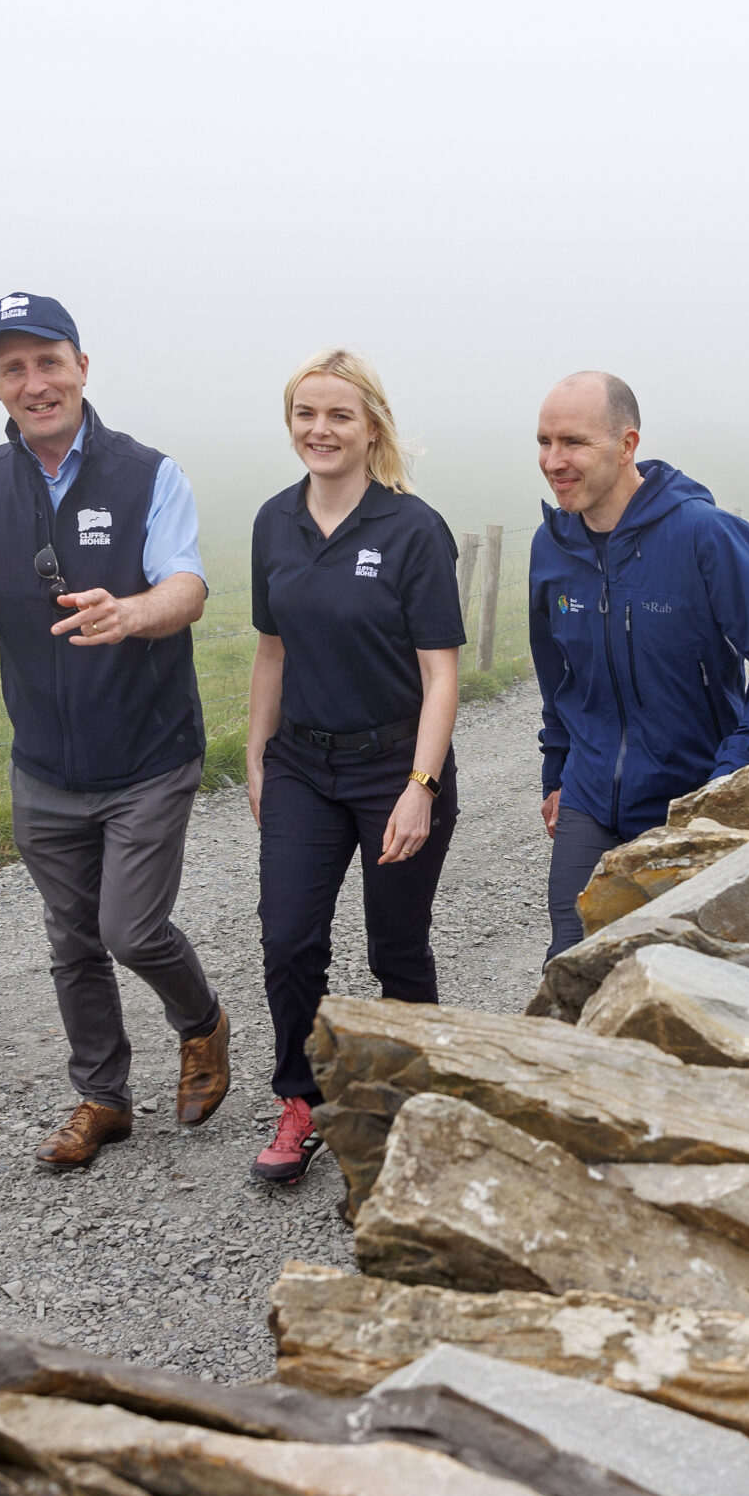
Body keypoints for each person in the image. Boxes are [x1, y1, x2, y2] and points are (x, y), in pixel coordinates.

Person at [0, 292, 232, 1168]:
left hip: (146, 751)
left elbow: (189, 587)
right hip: (44, 761)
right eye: (12, 367)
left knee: (130, 928)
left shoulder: (148, 475)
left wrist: (132, 612)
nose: (34, 381)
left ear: (83, 366)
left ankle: (202, 1022)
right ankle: (103, 1097)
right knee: (72, 938)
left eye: (48, 360)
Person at [244, 350, 464, 1183]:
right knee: (288, 938)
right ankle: (302, 1101)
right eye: (306, 413)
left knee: (396, 946)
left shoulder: (412, 528)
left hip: (394, 767)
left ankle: (419, 1103)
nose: (320, 430)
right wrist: (258, 758)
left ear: (372, 425)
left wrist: (421, 786)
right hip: (302, 761)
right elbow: (271, 650)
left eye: (339, 415)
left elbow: (440, 672)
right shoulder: (274, 521)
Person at [527, 372, 749, 960]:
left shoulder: (705, 535)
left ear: (627, 444)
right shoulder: (550, 547)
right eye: (544, 441)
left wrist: (730, 776)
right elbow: (557, 674)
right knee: (571, 964)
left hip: (688, 801)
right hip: (588, 799)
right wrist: (556, 772)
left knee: (680, 970)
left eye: (573, 442)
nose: (553, 460)